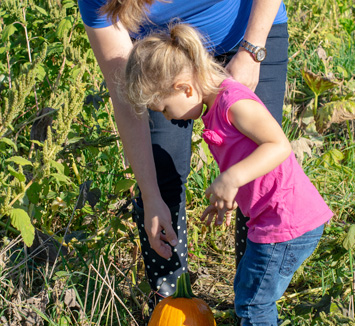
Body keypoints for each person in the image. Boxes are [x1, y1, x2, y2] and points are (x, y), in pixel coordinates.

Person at [123, 23, 334, 326]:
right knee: (250, 294)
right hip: (271, 218)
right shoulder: (213, 107)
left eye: (166, 109)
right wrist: (231, 195)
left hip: (287, 222)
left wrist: (231, 179)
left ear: (185, 89)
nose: (170, 118)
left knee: (253, 299)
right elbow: (250, 159)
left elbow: (278, 145)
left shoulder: (233, 101)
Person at [77, 0, 290, 306]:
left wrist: (252, 50)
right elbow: (127, 100)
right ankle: (172, 306)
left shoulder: (251, 44)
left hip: (247, 35)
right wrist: (150, 196)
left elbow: (274, 149)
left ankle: (254, 306)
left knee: (259, 171)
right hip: (162, 62)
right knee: (161, 178)